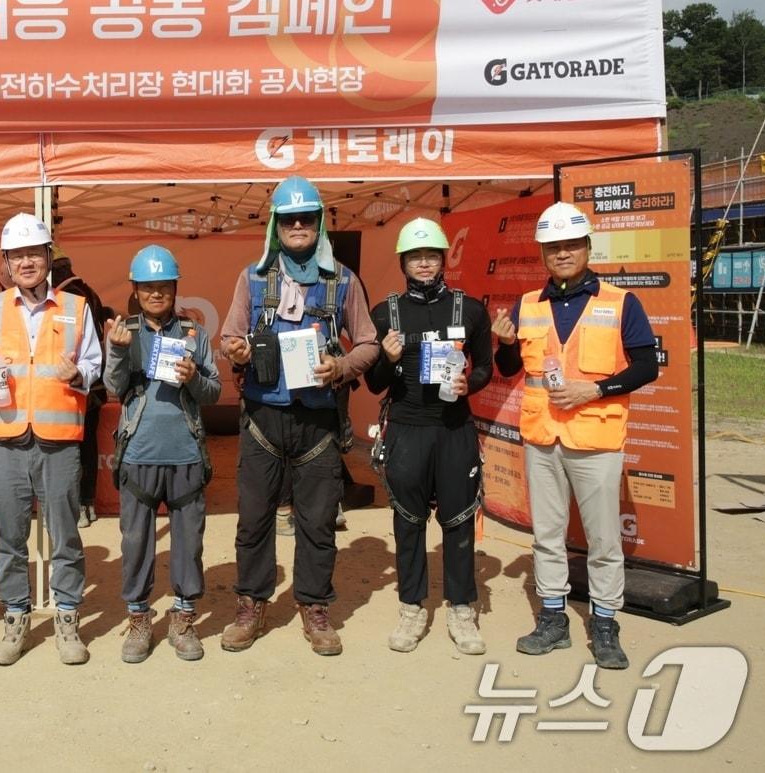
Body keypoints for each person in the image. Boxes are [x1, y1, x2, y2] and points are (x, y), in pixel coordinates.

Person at [493, 201, 659, 671]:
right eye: (553, 247)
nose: (562, 253)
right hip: (542, 437)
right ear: (542, 253)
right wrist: (505, 344)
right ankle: (553, 618)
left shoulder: (621, 302)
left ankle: (605, 622)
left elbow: (647, 366)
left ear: (587, 246)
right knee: (547, 534)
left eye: (571, 244)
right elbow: (509, 369)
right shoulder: (528, 304)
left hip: (595, 438)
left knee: (603, 539)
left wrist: (597, 389)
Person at [218, 176, 379, 656]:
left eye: (306, 217)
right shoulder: (252, 278)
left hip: (318, 422)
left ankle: (314, 605)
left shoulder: (342, 281)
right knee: (254, 520)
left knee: (318, 522)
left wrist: (342, 367)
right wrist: (238, 351)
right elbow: (228, 337)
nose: (297, 225)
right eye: (288, 219)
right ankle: (251, 604)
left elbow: (368, 342)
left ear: (319, 222)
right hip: (263, 418)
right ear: (276, 225)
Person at [0, 213, 103, 666]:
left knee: (64, 535)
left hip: (58, 439)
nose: (26, 262)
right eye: (17, 256)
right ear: (6, 262)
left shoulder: (76, 307)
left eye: (34, 253)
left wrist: (79, 373)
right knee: (9, 537)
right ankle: (16, 618)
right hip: (7, 439)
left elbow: (94, 363)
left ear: (49, 256)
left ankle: (67, 618)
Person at [364, 218, 492, 656]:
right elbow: (374, 385)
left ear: (442, 260)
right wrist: (387, 359)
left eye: (431, 256)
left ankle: (461, 608)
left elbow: (485, 367)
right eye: (415, 257)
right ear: (403, 262)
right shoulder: (385, 314)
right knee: (408, 521)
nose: (423, 264)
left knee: (458, 521)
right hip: (406, 431)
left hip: (454, 431)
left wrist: (470, 384)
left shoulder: (469, 309)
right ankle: (411, 607)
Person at [103, 245, 221, 663]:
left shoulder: (194, 334)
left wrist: (193, 379)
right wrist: (118, 351)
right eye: (148, 287)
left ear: (175, 289)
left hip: (186, 453)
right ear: (135, 290)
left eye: (164, 286)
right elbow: (114, 387)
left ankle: (184, 618)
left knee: (189, 542)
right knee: (136, 541)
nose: (156, 294)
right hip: (139, 454)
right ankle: (138, 618)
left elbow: (214, 391)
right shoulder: (125, 332)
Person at [51, 245, 110, 527]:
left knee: (76, 447)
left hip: (76, 384)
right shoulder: (88, 291)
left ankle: (80, 504)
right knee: (87, 445)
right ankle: (86, 503)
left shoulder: (69, 297)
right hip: (93, 385)